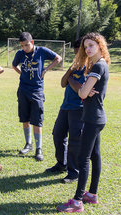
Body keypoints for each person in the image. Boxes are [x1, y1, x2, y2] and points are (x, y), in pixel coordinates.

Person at [57, 32, 110, 213]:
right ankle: (92, 194)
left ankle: (78, 200)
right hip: (96, 117)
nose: (87, 49)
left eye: (91, 46)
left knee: (84, 158)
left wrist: (85, 89)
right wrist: (85, 89)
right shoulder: (99, 65)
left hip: (92, 118)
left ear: (100, 46)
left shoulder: (97, 67)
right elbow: (84, 91)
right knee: (95, 155)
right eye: (85, 46)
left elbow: (81, 93)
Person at [12, 32, 62, 161]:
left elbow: (58, 58)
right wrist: (21, 74)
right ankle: (28, 144)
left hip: (37, 91)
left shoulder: (42, 51)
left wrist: (46, 70)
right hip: (23, 89)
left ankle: (38, 149)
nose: (25, 48)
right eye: (22, 46)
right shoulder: (20, 54)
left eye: (27, 45)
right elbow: (14, 65)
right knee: (25, 119)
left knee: (37, 120)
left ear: (32, 42)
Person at [45, 39, 85, 184]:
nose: (76, 55)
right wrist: (71, 70)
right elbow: (63, 83)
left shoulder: (89, 67)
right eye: (75, 53)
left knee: (75, 141)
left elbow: (79, 89)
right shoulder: (75, 65)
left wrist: (71, 79)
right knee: (58, 134)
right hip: (65, 106)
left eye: (78, 53)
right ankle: (62, 164)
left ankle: (74, 172)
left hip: (78, 108)